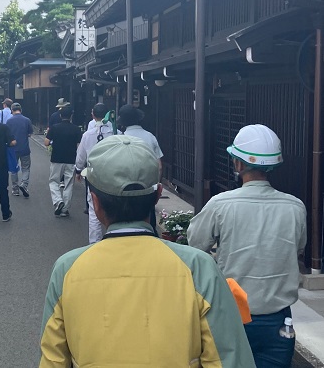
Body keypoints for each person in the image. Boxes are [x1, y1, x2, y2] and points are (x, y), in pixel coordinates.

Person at [40, 135, 256, 367]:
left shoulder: (67, 269)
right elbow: (229, 359)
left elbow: (53, 360)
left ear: (95, 202)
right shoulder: (199, 268)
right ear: (157, 195)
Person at [187, 124, 307, 367]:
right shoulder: (295, 207)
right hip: (279, 320)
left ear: (238, 165)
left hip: (232, 315)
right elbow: (298, 249)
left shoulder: (220, 204)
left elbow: (195, 243)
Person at [117, 104, 163, 231]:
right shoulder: (150, 137)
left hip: (124, 185)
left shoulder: (120, 138)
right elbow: (159, 166)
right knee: (148, 219)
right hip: (148, 186)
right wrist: (156, 184)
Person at [75, 103, 115, 243]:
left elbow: (81, 157)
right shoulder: (115, 133)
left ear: (93, 115)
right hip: (114, 175)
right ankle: (115, 238)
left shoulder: (88, 135)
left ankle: (94, 243)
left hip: (94, 175)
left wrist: (78, 170)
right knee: (114, 209)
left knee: (94, 211)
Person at [44, 106, 81, 217]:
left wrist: (52, 143)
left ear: (60, 116)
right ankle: (64, 210)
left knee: (54, 181)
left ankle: (58, 201)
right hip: (71, 159)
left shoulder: (55, 128)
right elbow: (79, 145)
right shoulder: (76, 129)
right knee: (68, 184)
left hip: (57, 158)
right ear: (71, 116)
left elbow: (46, 142)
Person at [6, 102, 33, 198]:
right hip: (25, 148)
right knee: (26, 168)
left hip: (13, 149)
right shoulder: (27, 120)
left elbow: (7, 135)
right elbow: (30, 133)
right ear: (20, 110)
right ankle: (24, 185)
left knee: (14, 169)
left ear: (12, 110)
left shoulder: (9, 121)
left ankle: (15, 189)